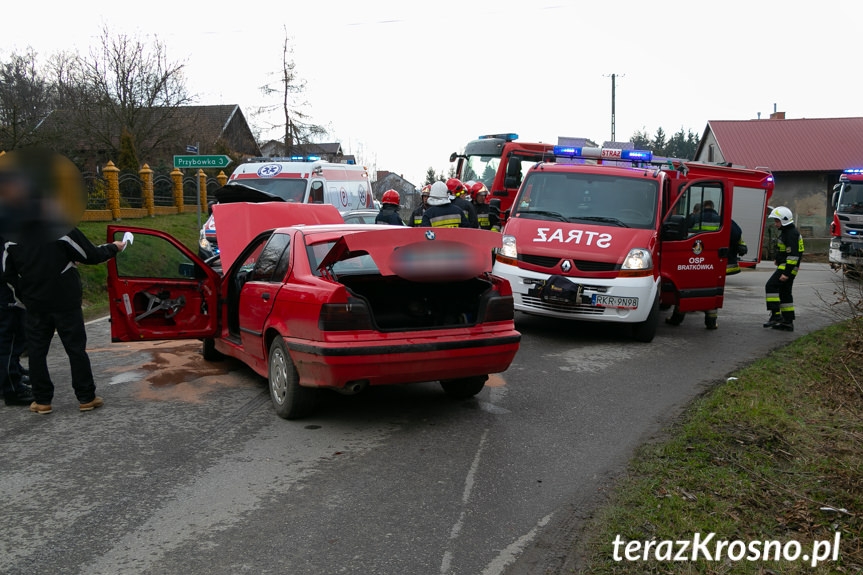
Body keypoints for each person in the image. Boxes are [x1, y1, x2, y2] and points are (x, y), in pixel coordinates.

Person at [2, 229, 126, 414]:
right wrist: (114, 248)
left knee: (37, 352)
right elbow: (91, 255)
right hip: (66, 301)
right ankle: (86, 397)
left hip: (35, 303)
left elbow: (7, 274)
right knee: (75, 349)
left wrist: (25, 297)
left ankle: (42, 400)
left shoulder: (12, 238)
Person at [0, 233, 32, 406]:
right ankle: (12, 388)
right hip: (6, 288)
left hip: (7, 284)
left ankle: (14, 372)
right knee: (9, 337)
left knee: (15, 334)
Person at [763, 206, 804, 331]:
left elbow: (793, 255)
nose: (775, 224)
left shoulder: (790, 234)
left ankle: (776, 315)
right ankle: (787, 321)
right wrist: (778, 258)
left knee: (770, 286)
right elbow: (785, 250)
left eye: (777, 221)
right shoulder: (788, 232)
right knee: (785, 293)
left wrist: (786, 273)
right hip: (788, 266)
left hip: (788, 267)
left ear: (784, 220)